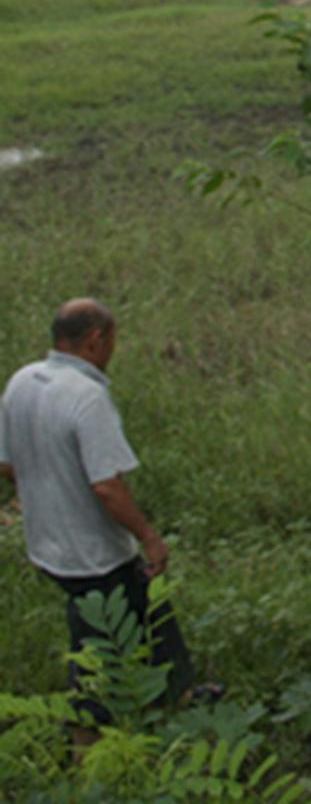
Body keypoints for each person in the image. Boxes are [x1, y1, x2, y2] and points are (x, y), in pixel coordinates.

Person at [0, 299, 204, 716]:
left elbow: (6, 463)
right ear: (96, 339)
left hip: (47, 542)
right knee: (99, 644)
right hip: (91, 554)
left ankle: (178, 693)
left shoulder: (22, 381)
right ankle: (86, 738)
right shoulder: (87, 397)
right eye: (112, 340)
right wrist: (149, 537)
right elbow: (108, 487)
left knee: (149, 605)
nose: (113, 349)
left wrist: (44, 491)